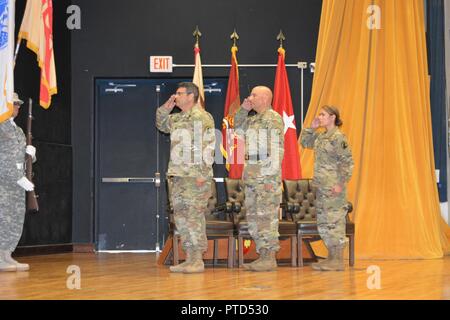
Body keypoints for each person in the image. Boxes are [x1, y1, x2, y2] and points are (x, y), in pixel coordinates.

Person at [156, 82, 215, 274]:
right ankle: (189, 258)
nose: (176, 96)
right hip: (179, 177)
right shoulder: (177, 118)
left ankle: (197, 260)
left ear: (191, 96)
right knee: (181, 218)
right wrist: (166, 107)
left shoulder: (202, 117)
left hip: (195, 177)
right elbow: (161, 124)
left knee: (193, 218)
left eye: (180, 93)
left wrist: (202, 174)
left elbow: (208, 147)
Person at [234, 86, 284, 272]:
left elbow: (275, 151)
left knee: (266, 218)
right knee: (254, 218)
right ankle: (263, 255)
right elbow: (237, 128)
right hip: (253, 178)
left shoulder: (273, 118)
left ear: (264, 98)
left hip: (266, 179)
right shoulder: (253, 120)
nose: (250, 97)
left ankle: (269, 257)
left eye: (254, 95)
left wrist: (268, 177)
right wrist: (243, 110)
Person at [300, 105, 354, 271]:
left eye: (323, 115)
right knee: (324, 223)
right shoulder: (322, 137)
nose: (320, 117)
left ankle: (337, 260)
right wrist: (312, 127)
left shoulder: (338, 138)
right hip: (322, 187)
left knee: (334, 222)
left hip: (333, 188)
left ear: (332, 117)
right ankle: (331, 258)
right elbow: (304, 142)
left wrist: (340, 183)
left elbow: (347, 163)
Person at [0, 93, 36, 272]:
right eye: (14, 104)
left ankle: (7, 255)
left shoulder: (19, 130)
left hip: (18, 184)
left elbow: (23, 157)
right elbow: (3, 158)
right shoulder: (1, 127)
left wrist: (31, 154)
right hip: (4, 183)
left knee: (15, 219)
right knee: (3, 218)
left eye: (19, 104)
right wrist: (16, 177)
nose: (18, 107)